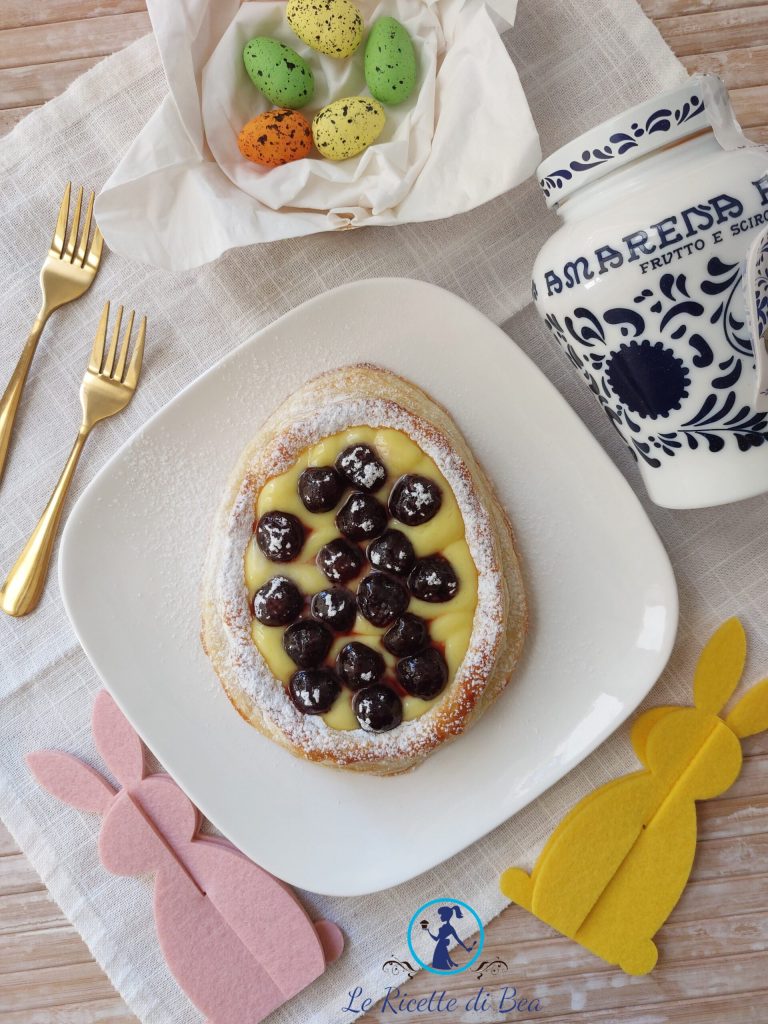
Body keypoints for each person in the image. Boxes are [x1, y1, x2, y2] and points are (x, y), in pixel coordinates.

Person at [426, 905, 476, 970]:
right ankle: (451, 964)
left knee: (441, 964)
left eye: (442, 915)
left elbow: (458, 939)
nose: (440, 917)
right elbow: (436, 939)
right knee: (441, 964)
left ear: (446, 916)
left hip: (441, 946)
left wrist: (466, 948)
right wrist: (428, 932)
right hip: (440, 946)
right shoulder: (444, 927)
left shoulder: (450, 928)